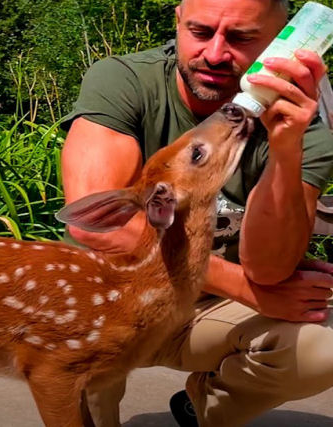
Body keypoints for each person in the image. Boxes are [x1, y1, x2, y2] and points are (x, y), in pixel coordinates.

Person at [60, 0, 333, 425]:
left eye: (242, 38)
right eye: (201, 31)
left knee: (323, 345)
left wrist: (285, 148)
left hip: (208, 311)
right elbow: (97, 227)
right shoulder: (125, 79)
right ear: (178, 20)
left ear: (281, 40)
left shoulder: (302, 121)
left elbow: (270, 267)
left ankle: (204, 408)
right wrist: (249, 289)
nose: (216, 54)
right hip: (113, 299)